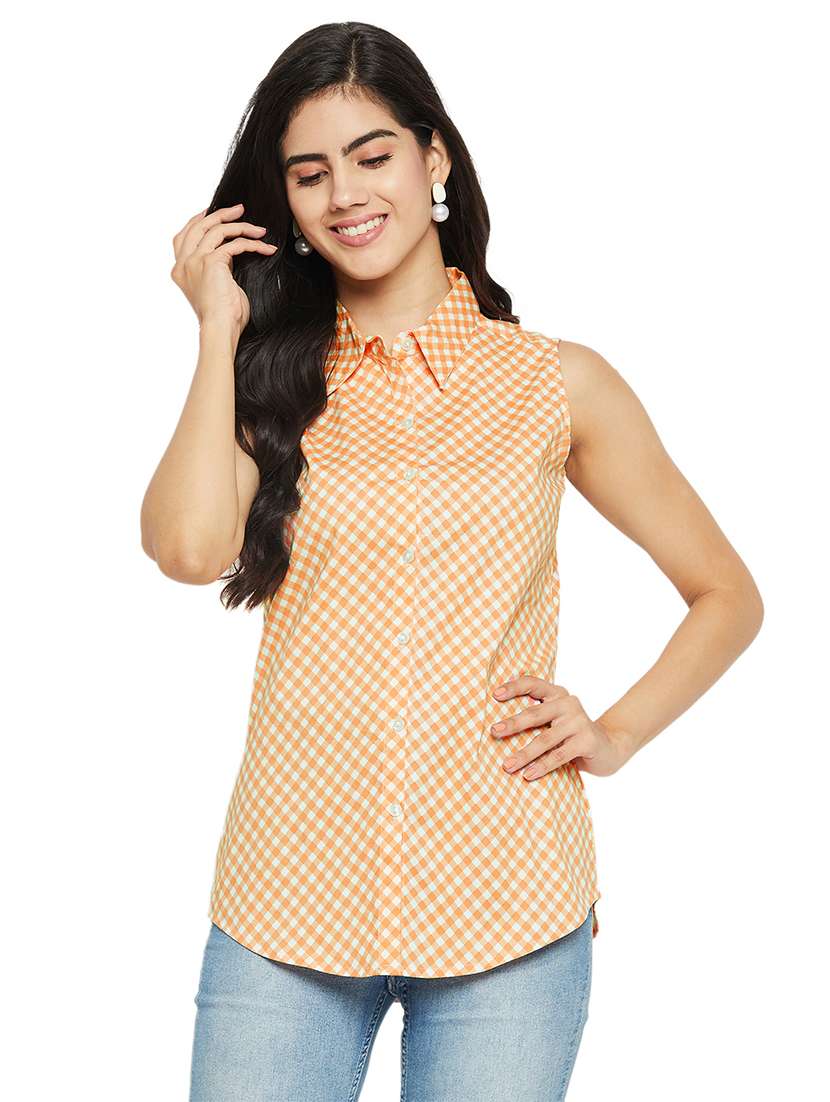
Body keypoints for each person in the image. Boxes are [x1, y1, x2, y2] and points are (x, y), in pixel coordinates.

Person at [140, 21, 764, 1102]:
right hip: (286, 899)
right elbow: (190, 551)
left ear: (432, 159)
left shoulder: (555, 383)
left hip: (508, 906)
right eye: (309, 173)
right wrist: (216, 330)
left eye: (372, 155)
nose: (345, 194)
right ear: (283, 202)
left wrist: (612, 734)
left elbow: (725, 594)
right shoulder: (266, 384)